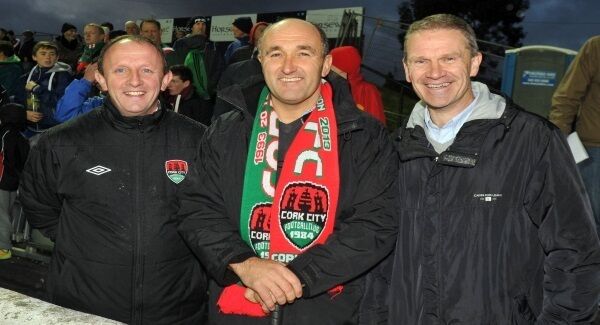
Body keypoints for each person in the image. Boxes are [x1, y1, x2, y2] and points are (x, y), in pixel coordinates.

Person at [368, 14, 600, 324]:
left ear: (475, 63)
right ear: (407, 70)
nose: (435, 72)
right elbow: (380, 263)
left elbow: (576, 251)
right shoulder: (393, 150)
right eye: (421, 61)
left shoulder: (532, 140)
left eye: (449, 58)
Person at [178, 18, 398, 324]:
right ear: (261, 61)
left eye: (304, 53)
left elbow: (375, 224)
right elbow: (196, 208)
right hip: (236, 304)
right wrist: (244, 264)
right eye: (276, 53)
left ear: (325, 64)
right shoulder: (226, 131)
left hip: (325, 309)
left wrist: (292, 278)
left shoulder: (363, 135)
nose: (288, 66)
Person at [20, 35, 207, 324]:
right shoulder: (62, 142)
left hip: (176, 310)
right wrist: (88, 246)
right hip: (82, 309)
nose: (135, 81)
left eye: (147, 70)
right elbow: (39, 206)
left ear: (166, 78)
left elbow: (214, 215)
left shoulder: (200, 141)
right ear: (102, 80)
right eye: (121, 70)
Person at [549, 35, 600, 237]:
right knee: (590, 223)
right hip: (594, 153)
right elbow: (566, 98)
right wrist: (556, 145)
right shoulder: (595, 47)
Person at [0, 102, 29, 260]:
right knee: (7, 213)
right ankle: (5, 242)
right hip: (13, 182)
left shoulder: (4, 134)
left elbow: (4, 157)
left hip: (1, 179)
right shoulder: (22, 138)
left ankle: (3, 248)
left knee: (1, 215)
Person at [330, 46, 386, 125]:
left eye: (332, 66)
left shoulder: (367, 91)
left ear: (345, 68)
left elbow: (377, 126)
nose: (327, 68)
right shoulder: (327, 86)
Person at [24, 41, 72, 132]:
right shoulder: (26, 76)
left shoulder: (63, 76)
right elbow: (19, 99)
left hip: (54, 128)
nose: (48, 57)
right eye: (43, 53)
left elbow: (62, 103)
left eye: (52, 54)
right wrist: (24, 113)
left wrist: (38, 89)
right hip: (29, 127)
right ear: (34, 57)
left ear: (57, 57)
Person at [173, 16, 223, 100]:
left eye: (203, 24)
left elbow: (219, 67)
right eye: (197, 24)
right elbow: (174, 66)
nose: (201, 27)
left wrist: (210, 87)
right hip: (183, 92)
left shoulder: (212, 45)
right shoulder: (180, 44)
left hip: (208, 94)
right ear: (192, 27)